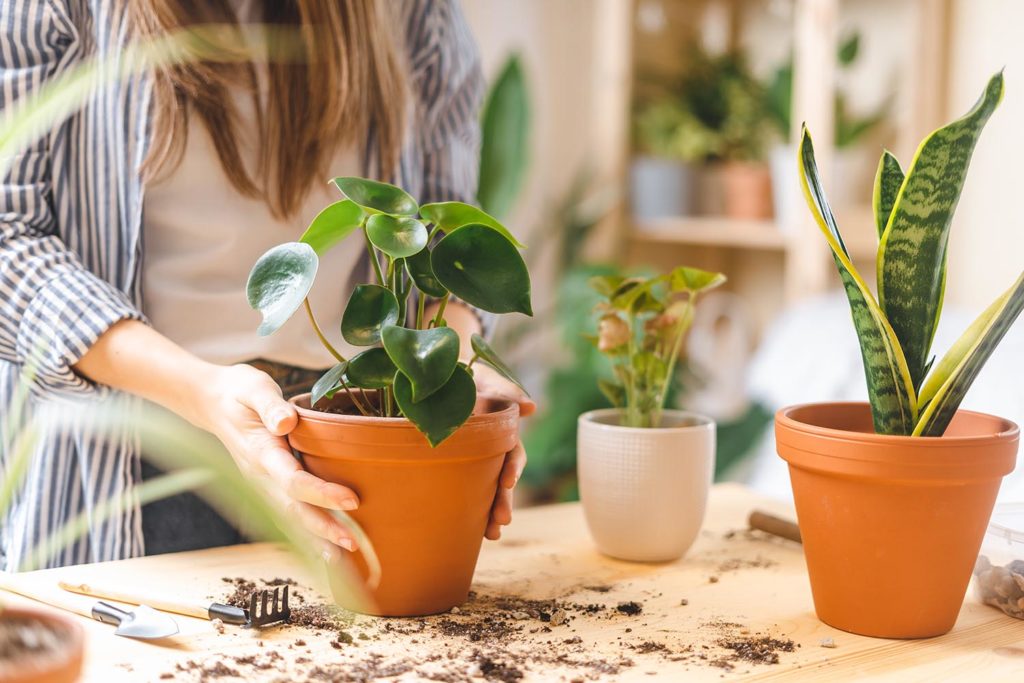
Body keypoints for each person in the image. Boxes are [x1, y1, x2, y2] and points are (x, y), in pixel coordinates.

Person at [0, 0, 532, 571]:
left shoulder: (410, 12)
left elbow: (441, 242)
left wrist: (459, 374)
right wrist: (203, 393)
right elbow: (10, 240)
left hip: (350, 433)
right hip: (138, 444)